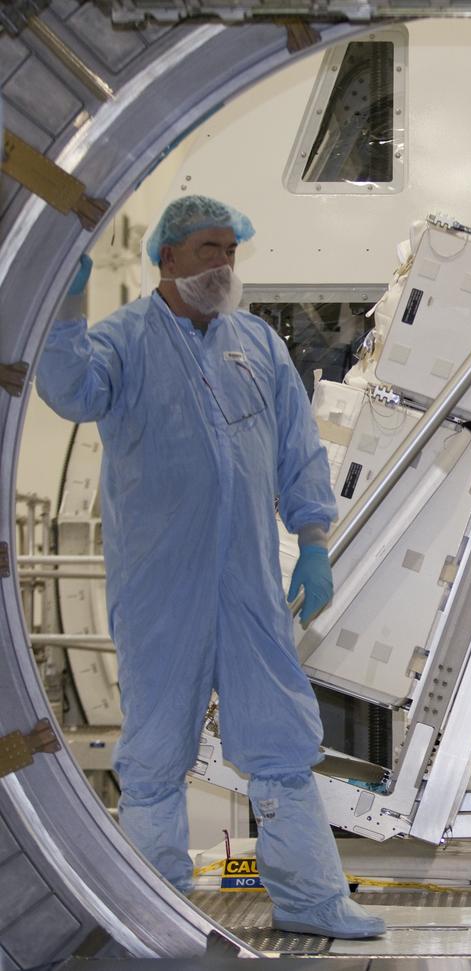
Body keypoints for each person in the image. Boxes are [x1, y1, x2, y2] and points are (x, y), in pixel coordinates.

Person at [35, 196, 384, 939]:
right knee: (158, 750)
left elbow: (297, 448)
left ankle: (312, 898)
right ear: (167, 257)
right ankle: (151, 908)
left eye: (230, 249)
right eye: (206, 249)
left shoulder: (254, 343)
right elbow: (68, 389)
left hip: (250, 585)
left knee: (283, 740)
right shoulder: (123, 340)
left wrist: (315, 539)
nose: (222, 263)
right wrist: (67, 296)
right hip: (162, 586)